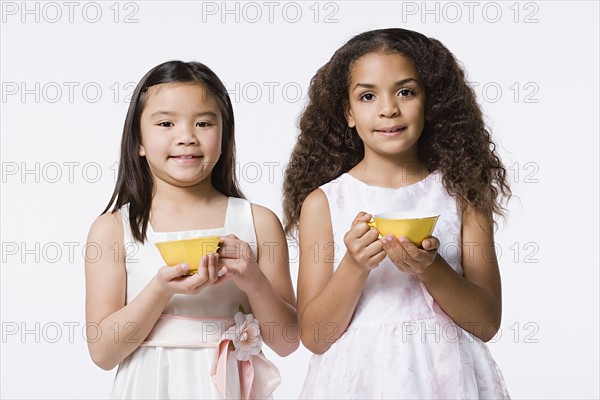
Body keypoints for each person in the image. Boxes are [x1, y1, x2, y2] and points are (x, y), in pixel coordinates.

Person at [283, 28, 512, 398]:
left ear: (430, 102)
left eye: (405, 91)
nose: (388, 108)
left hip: (449, 380)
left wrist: (429, 267)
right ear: (349, 113)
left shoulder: (462, 194)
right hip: (356, 382)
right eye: (368, 96)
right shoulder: (325, 203)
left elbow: (485, 323)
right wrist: (354, 266)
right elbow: (315, 336)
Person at [85, 60, 298, 399]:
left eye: (203, 122)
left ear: (224, 137)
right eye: (166, 123)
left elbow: (287, 342)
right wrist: (160, 290)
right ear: (138, 141)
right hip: (150, 387)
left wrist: (254, 281)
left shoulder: (258, 222)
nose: (186, 137)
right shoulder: (112, 230)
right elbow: (102, 353)